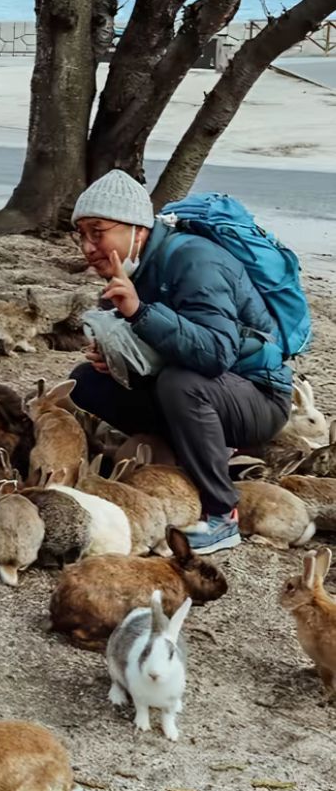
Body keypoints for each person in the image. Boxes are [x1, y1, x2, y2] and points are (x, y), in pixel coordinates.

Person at [67, 170, 292, 555]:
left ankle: (223, 514)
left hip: (258, 396)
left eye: (97, 231)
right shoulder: (133, 268)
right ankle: (197, 451)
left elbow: (216, 353)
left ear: (137, 229)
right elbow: (153, 349)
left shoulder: (195, 261)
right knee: (86, 382)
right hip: (204, 390)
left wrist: (139, 311)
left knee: (181, 383)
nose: (87, 247)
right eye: (81, 234)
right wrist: (113, 359)